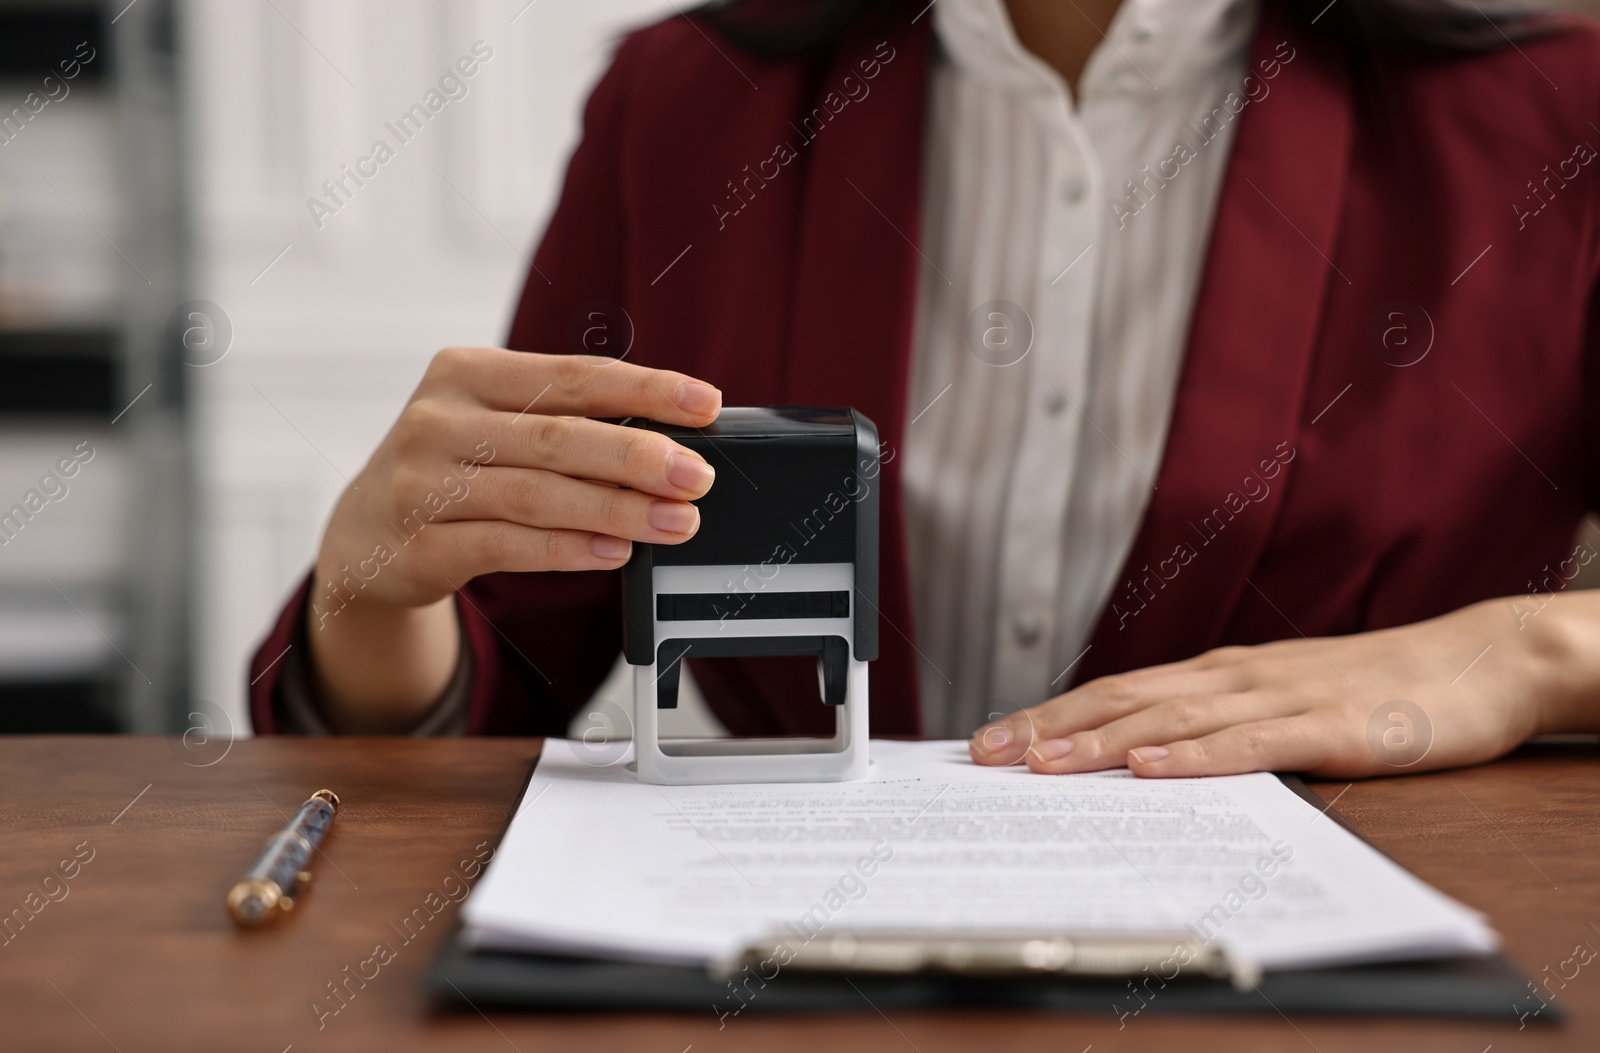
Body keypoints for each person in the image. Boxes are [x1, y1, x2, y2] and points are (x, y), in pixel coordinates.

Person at [250, 0, 1600, 781]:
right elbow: (507, 658)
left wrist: (1534, 658)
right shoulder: (686, 103)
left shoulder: (1560, 123)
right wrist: (368, 598)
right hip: (779, 985)